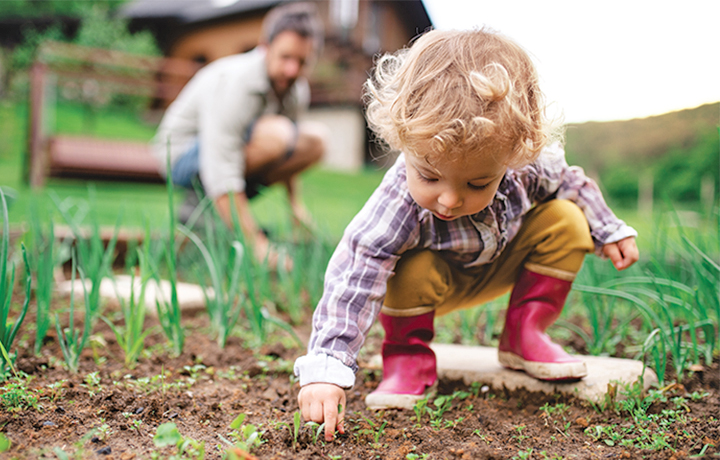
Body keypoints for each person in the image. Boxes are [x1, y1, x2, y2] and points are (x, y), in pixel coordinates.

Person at [293, 28, 639, 441]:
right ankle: (406, 357)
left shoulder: (524, 165)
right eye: (429, 176)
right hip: (431, 285)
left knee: (566, 218)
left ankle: (525, 334)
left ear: (512, 155)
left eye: (478, 183)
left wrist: (608, 229)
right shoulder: (397, 201)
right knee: (403, 264)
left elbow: (573, 182)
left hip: (501, 263)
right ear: (404, 143)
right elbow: (355, 270)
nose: (450, 199)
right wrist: (327, 367)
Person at [151, 2, 327, 267]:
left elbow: (291, 150)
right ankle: (201, 208)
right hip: (181, 155)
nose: (292, 70)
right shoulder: (237, 82)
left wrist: (295, 207)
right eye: (285, 58)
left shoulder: (296, 89)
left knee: (315, 142)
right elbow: (221, 163)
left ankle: (214, 212)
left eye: (302, 62)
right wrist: (256, 244)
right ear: (264, 47)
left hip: (230, 153)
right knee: (277, 134)